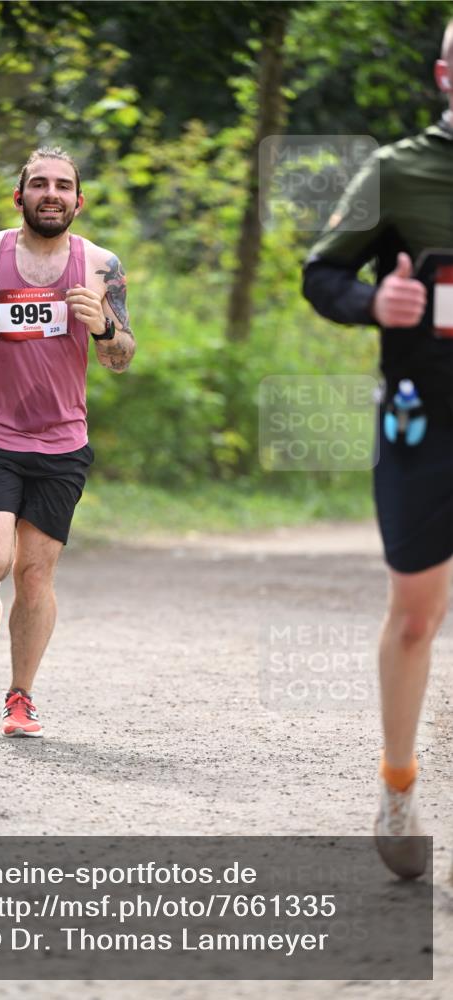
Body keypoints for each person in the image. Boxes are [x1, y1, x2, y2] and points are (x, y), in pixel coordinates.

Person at [303, 23, 453, 879]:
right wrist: (374, 304)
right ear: (442, 75)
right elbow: (320, 274)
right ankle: (398, 784)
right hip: (422, 420)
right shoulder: (396, 170)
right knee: (415, 617)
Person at [0, 147, 135, 738]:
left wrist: (100, 323)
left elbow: (121, 356)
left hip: (63, 442)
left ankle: (20, 696)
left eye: (64, 186)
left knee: (37, 574)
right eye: (40, 184)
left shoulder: (100, 265)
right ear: (19, 196)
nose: (53, 194)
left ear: (79, 199)